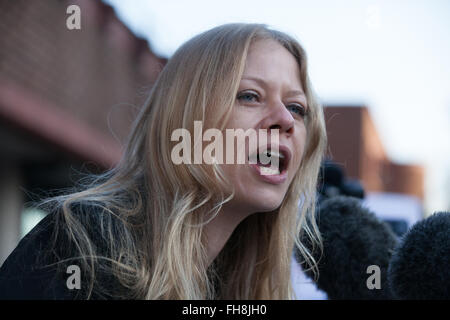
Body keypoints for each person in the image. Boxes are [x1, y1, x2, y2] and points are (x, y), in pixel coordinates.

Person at [0, 23, 327, 299]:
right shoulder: (83, 244)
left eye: (297, 108)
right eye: (250, 96)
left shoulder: (235, 282)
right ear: (186, 121)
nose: (285, 119)